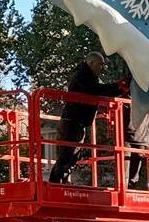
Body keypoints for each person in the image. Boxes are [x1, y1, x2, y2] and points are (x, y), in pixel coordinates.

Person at [47, 53, 126, 184]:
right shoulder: (82, 75)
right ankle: (55, 183)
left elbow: (100, 90)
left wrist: (118, 88)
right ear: (91, 63)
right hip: (72, 122)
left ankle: (60, 182)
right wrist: (117, 87)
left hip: (77, 122)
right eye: (100, 64)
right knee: (66, 155)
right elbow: (95, 90)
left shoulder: (89, 77)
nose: (102, 68)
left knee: (72, 156)